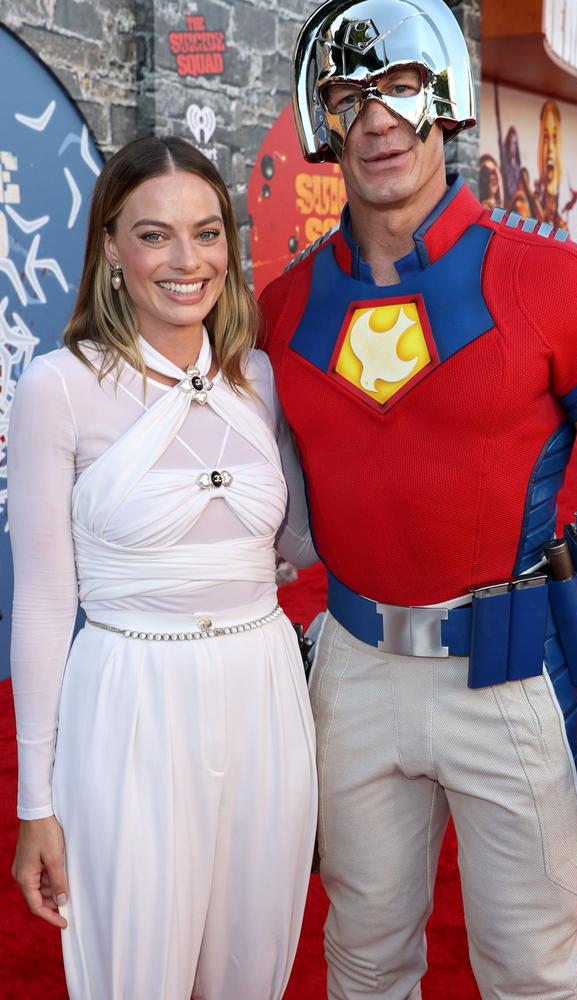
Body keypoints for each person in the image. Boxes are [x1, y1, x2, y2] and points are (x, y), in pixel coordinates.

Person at [260, 1, 577, 998]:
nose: (376, 119)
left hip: (506, 672)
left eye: (395, 88)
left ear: (441, 102)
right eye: (348, 96)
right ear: (323, 122)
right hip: (348, 673)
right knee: (362, 958)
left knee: (530, 969)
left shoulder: (553, 279)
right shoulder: (282, 308)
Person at [9, 135, 318, 1000]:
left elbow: (299, 540)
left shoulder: (259, 374)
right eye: (154, 235)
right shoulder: (57, 387)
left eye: (208, 232)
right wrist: (36, 802)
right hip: (128, 704)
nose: (188, 261)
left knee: (252, 974)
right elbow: (38, 604)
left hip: (264, 694)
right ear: (109, 245)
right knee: (132, 977)